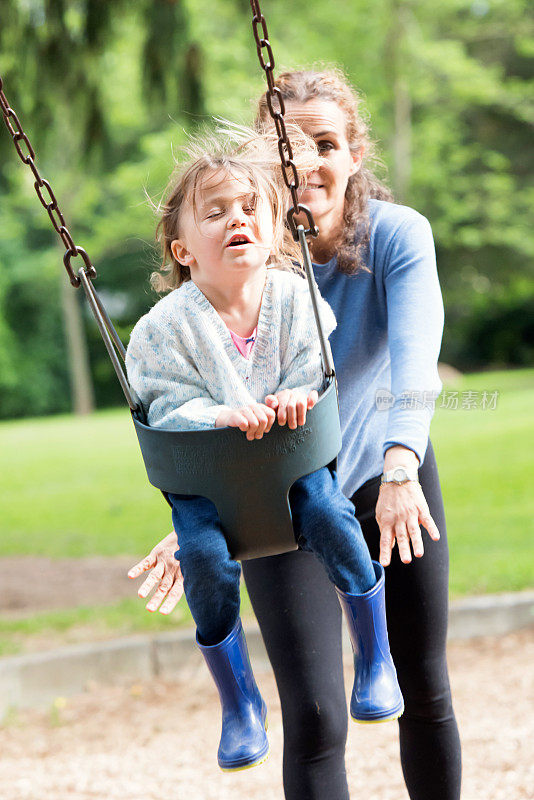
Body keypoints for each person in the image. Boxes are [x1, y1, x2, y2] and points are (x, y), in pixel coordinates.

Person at [128, 69, 462, 800]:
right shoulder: (246, 261)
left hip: (385, 468)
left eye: (326, 143)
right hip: (275, 493)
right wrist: (199, 516)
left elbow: (415, 364)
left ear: (354, 154)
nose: (307, 160)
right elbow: (194, 399)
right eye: (287, 143)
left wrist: (402, 468)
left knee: (421, 681)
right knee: (314, 717)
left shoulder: (395, 237)